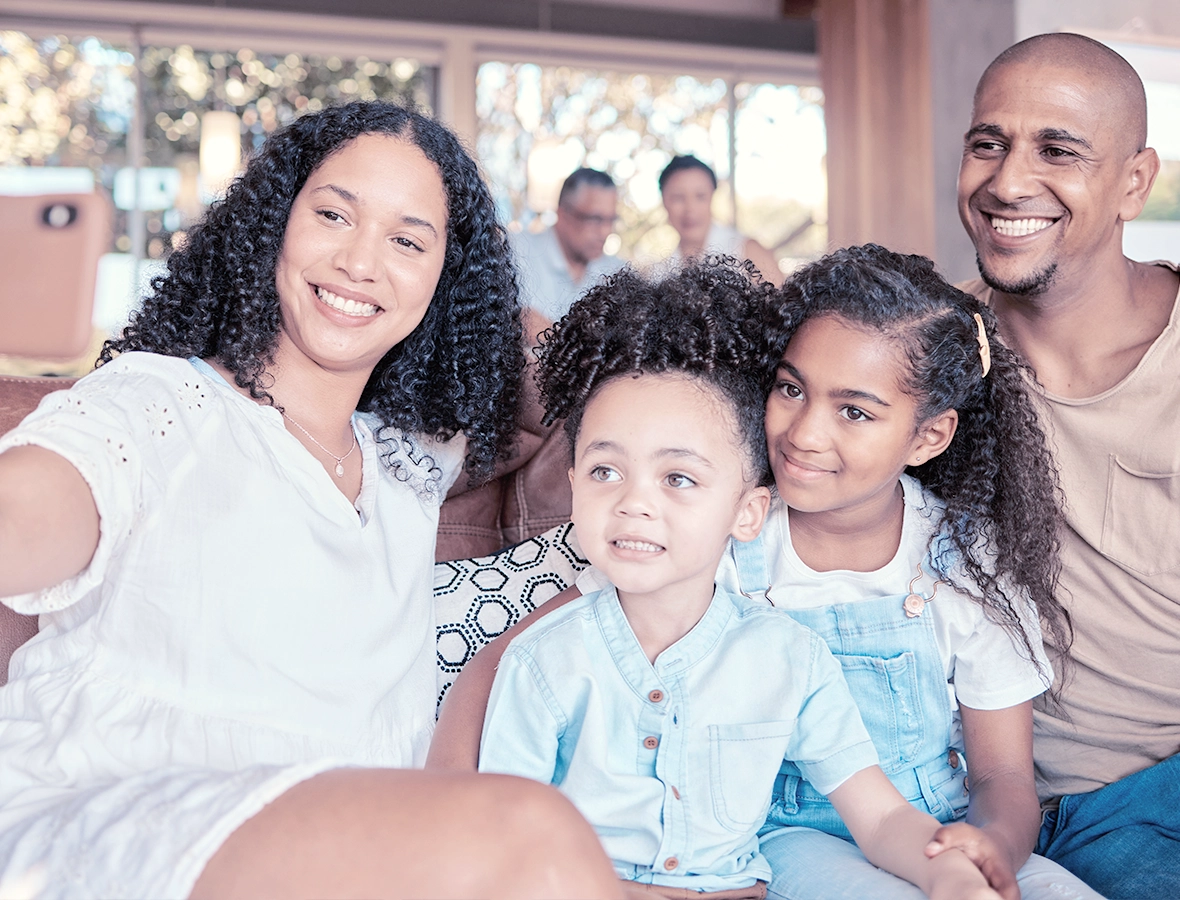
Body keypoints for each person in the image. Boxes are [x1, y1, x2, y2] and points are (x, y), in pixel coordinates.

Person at [0, 102, 624, 900]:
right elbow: (30, 508)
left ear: (445, 282)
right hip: (105, 828)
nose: (362, 263)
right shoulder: (157, 405)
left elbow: (582, 384)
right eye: (334, 214)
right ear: (274, 226)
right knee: (530, 836)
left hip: (341, 855)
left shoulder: (414, 458)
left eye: (408, 240)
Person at [476, 261, 1001, 900]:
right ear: (573, 482)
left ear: (748, 512)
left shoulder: (791, 658)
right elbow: (500, 843)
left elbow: (881, 814)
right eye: (605, 472)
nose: (635, 504)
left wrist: (945, 869)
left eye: (678, 479)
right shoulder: (542, 665)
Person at [714, 244, 1100, 900]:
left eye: (854, 411)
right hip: (790, 836)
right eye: (790, 388)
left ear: (928, 437)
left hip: (937, 825)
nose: (804, 432)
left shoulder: (964, 562)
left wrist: (989, 848)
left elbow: (1002, 774)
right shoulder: (728, 540)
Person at [957, 33, 1180, 899]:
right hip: (1014, 802)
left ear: (1133, 181)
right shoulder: (926, 358)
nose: (1009, 182)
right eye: (989, 143)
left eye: (1058, 150)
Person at [512, 167, 625, 340]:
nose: (605, 232)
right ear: (563, 214)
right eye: (595, 219)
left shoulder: (616, 273)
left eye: (611, 220)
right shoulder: (514, 252)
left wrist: (550, 335)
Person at [659, 155, 783, 286]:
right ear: (664, 201)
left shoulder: (749, 253)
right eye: (678, 198)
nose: (690, 208)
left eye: (700, 196)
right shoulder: (658, 274)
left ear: (712, 197)